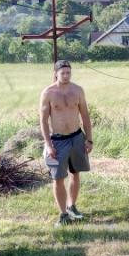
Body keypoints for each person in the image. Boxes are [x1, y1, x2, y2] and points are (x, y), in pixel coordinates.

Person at [39, 59, 93, 227]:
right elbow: (43, 121)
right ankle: (63, 214)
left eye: (68, 72)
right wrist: (48, 144)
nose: (66, 75)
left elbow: (85, 115)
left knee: (75, 173)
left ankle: (72, 206)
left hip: (77, 137)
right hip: (58, 140)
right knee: (58, 178)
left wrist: (89, 139)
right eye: (63, 73)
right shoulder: (48, 93)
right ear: (56, 73)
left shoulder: (78, 90)